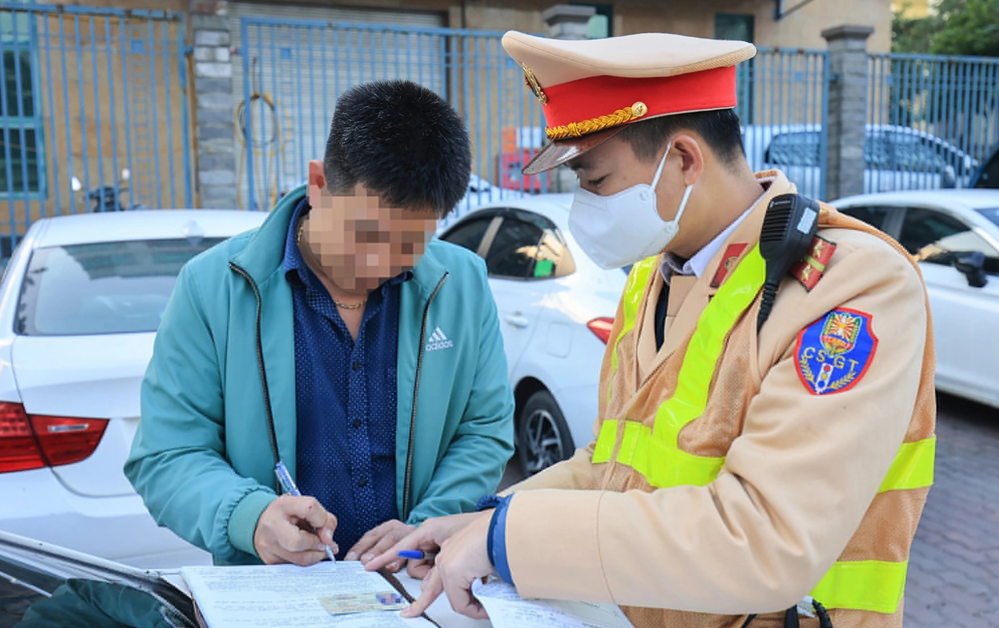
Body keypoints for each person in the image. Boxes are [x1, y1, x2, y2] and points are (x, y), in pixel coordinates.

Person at [368, 32, 936, 628]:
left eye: (595, 181)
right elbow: (611, 461)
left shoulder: (851, 286)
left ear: (686, 159)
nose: (584, 206)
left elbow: (768, 538)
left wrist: (509, 537)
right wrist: (485, 518)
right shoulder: (653, 276)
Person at [125, 80, 515, 568]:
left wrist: (432, 522)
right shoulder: (213, 288)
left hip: (418, 586)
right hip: (277, 596)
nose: (381, 263)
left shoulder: (462, 283)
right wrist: (249, 515)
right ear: (318, 183)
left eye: (410, 244)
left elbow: (484, 430)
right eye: (366, 234)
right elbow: (167, 455)